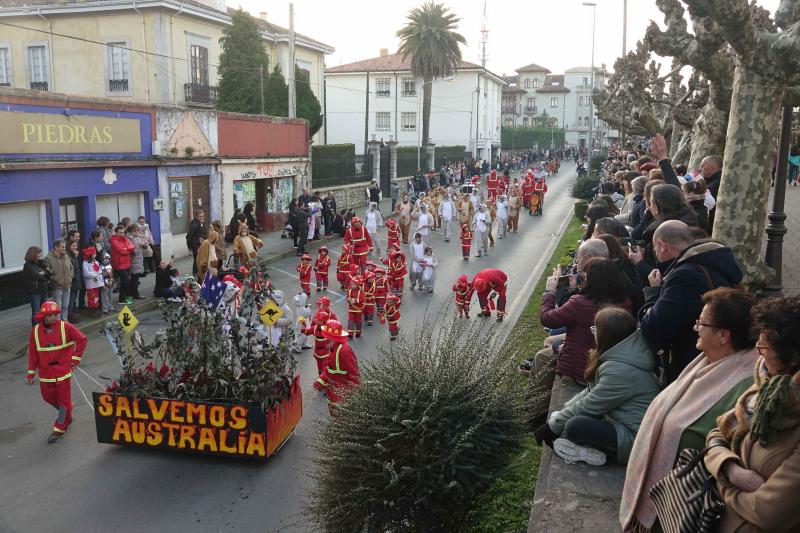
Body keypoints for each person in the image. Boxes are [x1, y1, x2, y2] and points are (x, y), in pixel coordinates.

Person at [620, 288, 758, 532]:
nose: (696, 327)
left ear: (723, 336)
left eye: (702, 323)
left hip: (687, 509)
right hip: (671, 498)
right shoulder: (706, 363)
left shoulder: (746, 385)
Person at [698, 296, 800, 533]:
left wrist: (719, 481)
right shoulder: (767, 389)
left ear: (791, 355)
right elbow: (716, 434)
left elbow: (767, 512)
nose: (758, 354)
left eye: (764, 347)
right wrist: (732, 471)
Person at [534, 307, 660, 466]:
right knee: (569, 421)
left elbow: (590, 404)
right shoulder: (622, 358)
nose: (593, 333)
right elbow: (591, 391)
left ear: (607, 335)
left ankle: (591, 451)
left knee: (575, 426)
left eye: (595, 329)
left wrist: (552, 427)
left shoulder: (620, 371)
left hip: (634, 441)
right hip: (622, 425)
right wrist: (561, 413)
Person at [633, 220, 743, 384]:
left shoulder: (687, 275)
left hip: (694, 364)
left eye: (655, 250)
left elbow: (653, 328)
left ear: (662, 245)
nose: (656, 255)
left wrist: (653, 292)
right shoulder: (710, 262)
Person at [527, 258, 630, 424]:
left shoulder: (580, 303)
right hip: (605, 362)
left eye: (584, 277)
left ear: (591, 280)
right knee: (544, 355)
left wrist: (549, 293)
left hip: (579, 366)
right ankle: (537, 410)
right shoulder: (624, 302)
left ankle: (532, 412)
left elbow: (548, 319)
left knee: (544, 358)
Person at [26, 301, 87, 443]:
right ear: (42, 316)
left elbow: (82, 339)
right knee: (48, 397)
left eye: (54, 315)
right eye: (48, 315)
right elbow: (33, 353)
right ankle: (67, 414)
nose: (52, 318)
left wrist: (75, 359)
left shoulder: (66, 326)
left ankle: (59, 428)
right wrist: (31, 373)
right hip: (46, 373)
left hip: (63, 372)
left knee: (64, 401)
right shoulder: (35, 331)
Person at [314, 318, 361, 414]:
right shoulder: (333, 349)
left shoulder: (344, 351)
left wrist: (357, 393)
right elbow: (330, 369)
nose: (322, 339)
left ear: (330, 338)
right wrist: (321, 380)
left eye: (325, 336)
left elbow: (354, 373)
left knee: (342, 418)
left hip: (343, 392)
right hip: (334, 390)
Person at [45, 240, 73, 320]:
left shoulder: (66, 256)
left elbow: (71, 268)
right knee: (58, 306)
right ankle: (58, 322)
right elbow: (48, 273)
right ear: (56, 247)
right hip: (57, 286)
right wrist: (56, 279)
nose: (65, 248)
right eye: (62, 247)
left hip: (67, 285)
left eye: (65, 246)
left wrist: (70, 277)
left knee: (66, 305)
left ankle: (65, 321)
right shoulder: (48, 258)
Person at [23, 246, 51, 325]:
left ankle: (42, 326)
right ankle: (35, 328)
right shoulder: (28, 265)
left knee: (44, 310)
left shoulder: (40, 262)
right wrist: (45, 273)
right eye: (38, 253)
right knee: (36, 312)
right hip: (35, 291)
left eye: (40, 253)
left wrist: (45, 273)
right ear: (33, 254)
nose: (40, 255)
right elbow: (38, 276)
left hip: (43, 289)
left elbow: (50, 272)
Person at [126, 224, 146, 300]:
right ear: (131, 231)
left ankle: (133, 293)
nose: (137, 232)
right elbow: (131, 249)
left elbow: (140, 244)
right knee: (134, 279)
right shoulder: (130, 238)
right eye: (135, 230)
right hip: (134, 261)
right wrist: (135, 251)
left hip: (138, 260)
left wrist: (144, 245)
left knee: (135, 279)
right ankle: (135, 294)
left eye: (138, 230)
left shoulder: (137, 237)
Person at [81, 247, 103, 312]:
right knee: (91, 297)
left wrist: (98, 273)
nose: (95, 255)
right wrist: (95, 274)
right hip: (90, 284)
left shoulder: (96, 261)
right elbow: (86, 273)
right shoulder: (85, 263)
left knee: (96, 296)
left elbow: (99, 270)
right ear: (90, 254)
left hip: (96, 283)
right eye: (94, 254)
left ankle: (96, 307)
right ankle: (91, 309)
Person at [186, 210, 207, 276]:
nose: (202, 217)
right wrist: (190, 247)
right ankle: (195, 274)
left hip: (201, 245)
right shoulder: (194, 225)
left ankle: (200, 273)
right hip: (196, 246)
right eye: (200, 216)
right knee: (197, 260)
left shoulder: (201, 223)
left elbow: (203, 233)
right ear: (197, 217)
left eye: (203, 216)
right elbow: (189, 236)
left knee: (201, 260)